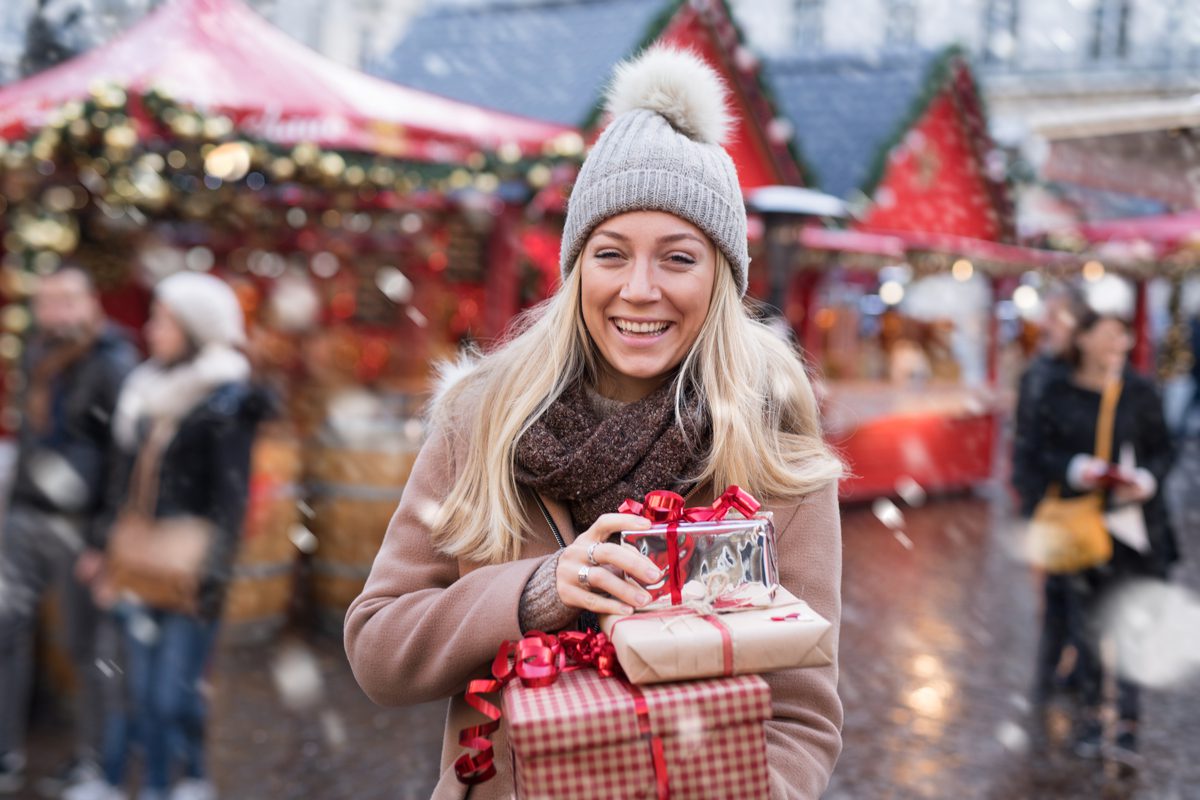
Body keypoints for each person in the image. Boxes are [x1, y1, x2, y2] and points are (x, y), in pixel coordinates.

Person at [345, 47, 844, 800]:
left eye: (677, 258)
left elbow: (802, 718)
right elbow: (379, 649)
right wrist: (536, 594)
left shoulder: (774, 448)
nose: (638, 290)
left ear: (721, 279)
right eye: (611, 254)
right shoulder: (481, 422)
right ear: (578, 267)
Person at [67, 272, 268, 800]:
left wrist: (213, 579)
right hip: (137, 556)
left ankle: (178, 780)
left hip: (190, 565)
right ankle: (121, 779)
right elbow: (122, 480)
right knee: (130, 685)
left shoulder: (227, 399)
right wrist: (100, 543)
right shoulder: (143, 388)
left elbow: (231, 497)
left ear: (196, 330)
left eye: (164, 320)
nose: (152, 330)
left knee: (169, 692)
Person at [0, 266, 138, 796]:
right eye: (46, 302)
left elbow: (124, 460)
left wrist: (104, 540)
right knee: (7, 632)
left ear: (88, 303)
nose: (54, 312)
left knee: (87, 647)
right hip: (27, 517)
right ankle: (6, 753)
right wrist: (13, 507)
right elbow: (34, 438)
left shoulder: (113, 363)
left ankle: (94, 762)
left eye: (64, 301)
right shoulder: (36, 354)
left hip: (80, 527)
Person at [1033, 308, 1178, 766]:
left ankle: (1130, 724)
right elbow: (1039, 449)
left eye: (1124, 334)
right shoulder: (1060, 389)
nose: (1120, 342)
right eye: (1110, 333)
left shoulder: (1139, 390)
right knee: (1089, 628)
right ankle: (1094, 718)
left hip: (1136, 532)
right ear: (1085, 340)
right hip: (1082, 528)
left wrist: (1148, 480)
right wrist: (1076, 468)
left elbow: (1163, 449)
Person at [1012, 282, 1084, 709]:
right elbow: (1027, 434)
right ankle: (1052, 665)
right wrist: (1024, 483)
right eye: (1050, 316)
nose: (1050, 324)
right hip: (1040, 494)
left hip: (1069, 498)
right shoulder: (1040, 368)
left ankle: (1068, 666)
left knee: (1071, 588)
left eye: (1060, 317)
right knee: (1048, 586)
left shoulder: (1076, 373)